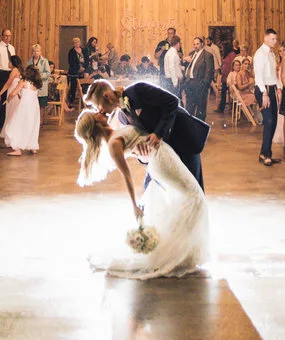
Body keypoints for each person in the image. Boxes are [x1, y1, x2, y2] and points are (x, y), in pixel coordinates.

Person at [74, 107, 209, 279]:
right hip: (161, 160)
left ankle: (183, 249)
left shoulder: (115, 130)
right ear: (96, 124)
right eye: (96, 114)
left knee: (188, 197)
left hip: (162, 154)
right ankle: (178, 252)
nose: (100, 112)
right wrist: (134, 206)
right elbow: (127, 175)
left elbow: (137, 141)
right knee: (194, 196)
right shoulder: (113, 144)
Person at [84, 78, 210, 190]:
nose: (99, 111)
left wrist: (158, 134)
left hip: (183, 139)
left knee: (193, 187)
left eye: (97, 106)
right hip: (165, 152)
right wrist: (141, 154)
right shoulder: (122, 115)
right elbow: (140, 137)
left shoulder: (138, 90)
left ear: (107, 96)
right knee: (152, 188)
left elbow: (172, 102)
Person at [253, 29, 282, 166]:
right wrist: (264, 93)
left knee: (274, 121)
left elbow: (273, 75)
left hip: (272, 89)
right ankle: (265, 154)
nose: (275, 41)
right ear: (265, 38)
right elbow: (258, 75)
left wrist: (279, 88)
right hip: (262, 89)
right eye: (272, 39)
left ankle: (265, 153)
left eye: (276, 39)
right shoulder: (260, 54)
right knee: (269, 120)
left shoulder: (272, 54)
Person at [2, 62, 42, 155]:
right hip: (34, 106)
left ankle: (17, 148)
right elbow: (33, 95)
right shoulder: (36, 84)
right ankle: (32, 146)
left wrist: (7, 100)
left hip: (24, 106)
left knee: (17, 124)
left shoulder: (24, 81)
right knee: (31, 125)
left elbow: (13, 93)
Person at [183, 36, 214, 121]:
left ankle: (199, 127)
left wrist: (204, 85)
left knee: (200, 109)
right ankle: (189, 126)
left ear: (202, 44)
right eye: (194, 44)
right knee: (189, 108)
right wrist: (184, 60)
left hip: (200, 84)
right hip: (190, 84)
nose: (195, 46)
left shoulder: (207, 55)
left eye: (197, 44)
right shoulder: (192, 54)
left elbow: (209, 72)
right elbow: (188, 67)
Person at [0, 28, 15, 129]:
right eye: (6, 36)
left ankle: (3, 121)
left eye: (9, 36)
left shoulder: (12, 48)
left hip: (9, 73)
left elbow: (14, 61)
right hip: (0, 72)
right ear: (2, 36)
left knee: (6, 98)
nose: (7, 38)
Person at [29, 43, 52, 122]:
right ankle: (33, 120)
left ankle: (40, 121)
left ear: (40, 52)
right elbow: (27, 72)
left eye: (37, 51)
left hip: (41, 85)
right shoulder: (29, 61)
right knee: (33, 104)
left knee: (41, 105)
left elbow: (48, 73)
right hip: (32, 85)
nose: (36, 53)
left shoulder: (44, 61)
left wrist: (39, 76)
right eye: (34, 51)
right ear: (32, 52)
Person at [216, 42, 236, 113]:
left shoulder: (232, 54)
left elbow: (232, 65)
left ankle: (231, 108)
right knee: (223, 93)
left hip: (229, 76)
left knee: (231, 93)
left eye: (223, 47)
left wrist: (230, 76)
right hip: (224, 76)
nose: (222, 49)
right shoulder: (226, 54)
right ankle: (221, 108)